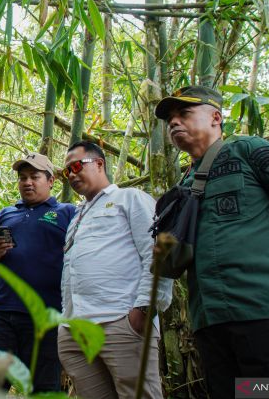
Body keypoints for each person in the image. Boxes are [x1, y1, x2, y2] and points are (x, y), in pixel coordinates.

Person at [155, 85, 269, 397]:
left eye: (184, 113)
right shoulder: (185, 182)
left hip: (266, 313)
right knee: (238, 393)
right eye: (170, 119)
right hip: (211, 323)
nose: (174, 122)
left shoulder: (248, 151)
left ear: (216, 117)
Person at [58, 141, 173, 399]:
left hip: (119, 321)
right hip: (76, 329)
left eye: (77, 166)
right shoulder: (76, 217)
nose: (72, 174)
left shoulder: (130, 198)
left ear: (99, 163)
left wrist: (144, 309)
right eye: (67, 172)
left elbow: (158, 254)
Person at [0, 153, 77, 393]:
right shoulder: (6, 213)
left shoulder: (67, 212)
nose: (27, 182)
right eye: (22, 177)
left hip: (46, 316)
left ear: (51, 180)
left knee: (44, 389)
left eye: (34, 176)